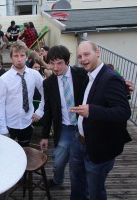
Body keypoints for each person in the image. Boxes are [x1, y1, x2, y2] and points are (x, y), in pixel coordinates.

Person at [69, 41, 131, 200]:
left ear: (98, 52)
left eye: (86, 54)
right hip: (79, 142)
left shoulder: (110, 78)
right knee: (77, 185)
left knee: (95, 192)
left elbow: (123, 112)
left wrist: (92, 111)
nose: (83, 59)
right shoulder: (88, 74)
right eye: (80, 56)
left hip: (98, 148)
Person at [39, 45, 88, 187]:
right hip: (65, 127)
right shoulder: (48, 83)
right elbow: (48, 110)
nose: (55, 68)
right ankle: (57, 179)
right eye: (52, 63)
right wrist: (44, 136)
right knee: (58, 162)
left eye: (59, 63)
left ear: (67, 61)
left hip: (84, 125)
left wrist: (124, 87)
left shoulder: (82, 74)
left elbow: (102, 81)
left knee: (82, 163)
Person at [0, 41, 44, 146]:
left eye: (22, 55)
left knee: (25, 148)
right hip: (10, 124)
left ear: (27, 57)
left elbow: (45, 93)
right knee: (9, 152)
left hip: (28, 122)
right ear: (11, 57)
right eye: (16, 56)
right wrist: (3, 128)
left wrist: (40, 111)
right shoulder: (4, 79)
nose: (19, 59)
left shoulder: (35, 75)